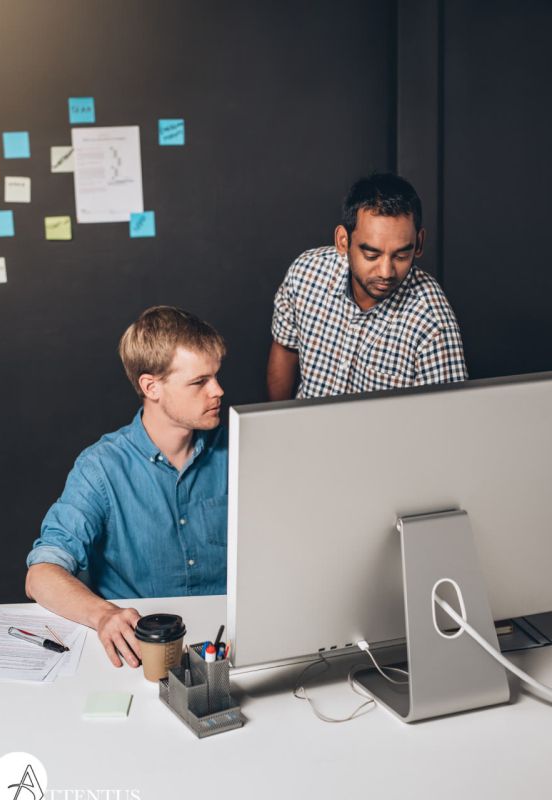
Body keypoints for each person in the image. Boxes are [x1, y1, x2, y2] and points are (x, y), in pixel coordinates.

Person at [25, 306, 227, 668]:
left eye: (216, 376)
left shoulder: (240, 448)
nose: (218, 391)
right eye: (199, 382)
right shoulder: (101, 467)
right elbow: (41, 573)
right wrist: (103, 615)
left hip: (227, 642)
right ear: (151, 387)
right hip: (139, 651)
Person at [267, 173, 468, 400]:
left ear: (419, 244)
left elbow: (443, 421)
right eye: (371, 254)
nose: (386, 272)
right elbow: (285, 348)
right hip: (303, 431)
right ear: (343, 241)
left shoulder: (433, 323)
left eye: (401, 255)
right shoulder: (306, 273)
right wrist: (279, 429)